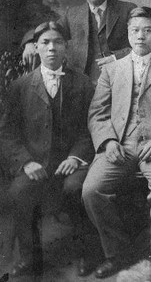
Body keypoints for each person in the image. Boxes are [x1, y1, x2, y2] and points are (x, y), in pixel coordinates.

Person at [82, 7, 151, 278]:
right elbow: (98, 113)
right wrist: (107, 142)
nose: (141, 36)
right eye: (135, 30)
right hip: (120, 144)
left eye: (148, 30)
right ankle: (117, 252)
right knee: (91, 190)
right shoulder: (112, 70)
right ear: (128, 33)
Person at [1, 21, 95, 277]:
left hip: (70, 162)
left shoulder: (83, 84)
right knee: (19, 191)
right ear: (37, 47)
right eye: (45, 43)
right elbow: (8, 132)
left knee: (77, 189)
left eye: (58, 42)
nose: (52, 48)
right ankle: (31, 258)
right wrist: (26, 162)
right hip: (35, 163)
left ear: (66, 47)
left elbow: (90, 129)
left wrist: (76, 157)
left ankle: (85, 253)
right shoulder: (21, 86)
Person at [22, 0, 137, 85]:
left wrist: (116, 58)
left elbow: (143, 44)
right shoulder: (73, 14)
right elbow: (49, 31)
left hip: (120, 79)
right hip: (82, 83)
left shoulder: (127, 9)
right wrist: (30, 42)